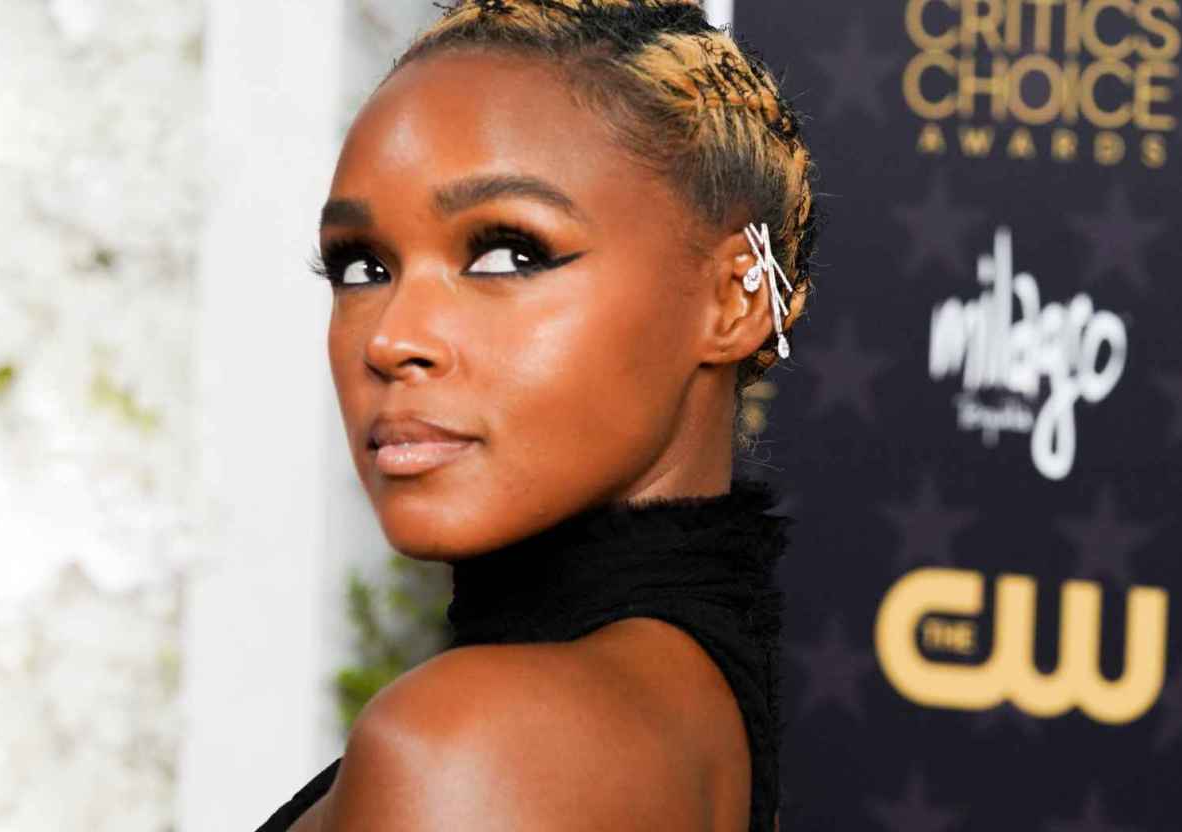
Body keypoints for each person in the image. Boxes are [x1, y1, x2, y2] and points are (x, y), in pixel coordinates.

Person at [258, 1, 817, 829]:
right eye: (361, 267)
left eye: (507, 254)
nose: (393, 339)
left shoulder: (471, 745)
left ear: (734, 299)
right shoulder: (680, 700)